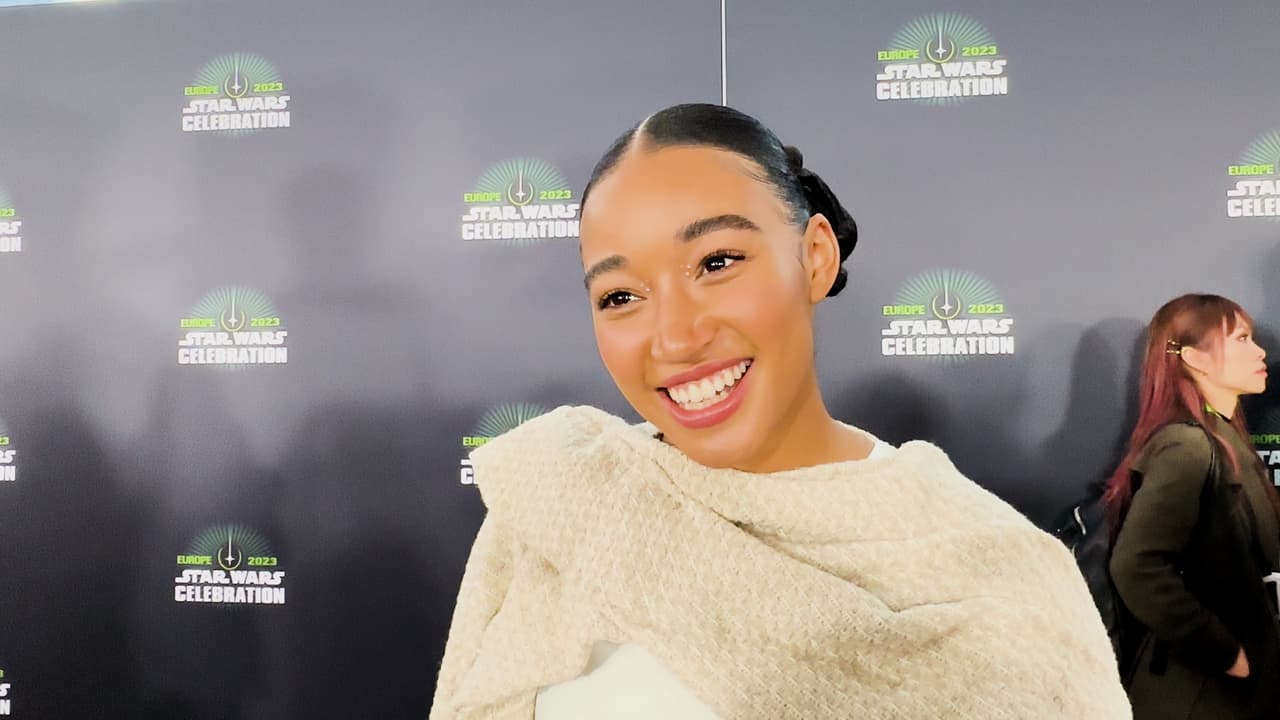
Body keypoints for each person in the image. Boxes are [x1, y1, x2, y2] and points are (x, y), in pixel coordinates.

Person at [431, 103, 1129, 719]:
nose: (675, 338)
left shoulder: (1001, 574)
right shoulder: (561, 502)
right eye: (620, 297)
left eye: (716, 262)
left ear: (815, 258)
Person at [1107, 294, 1278, 719]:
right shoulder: (1188, 446)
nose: (1260, 352)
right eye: (1241, 339)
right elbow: (1136, 565)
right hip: (1197, 694)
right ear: (1195, 358)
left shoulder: (1223, 439)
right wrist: (1224, 652)